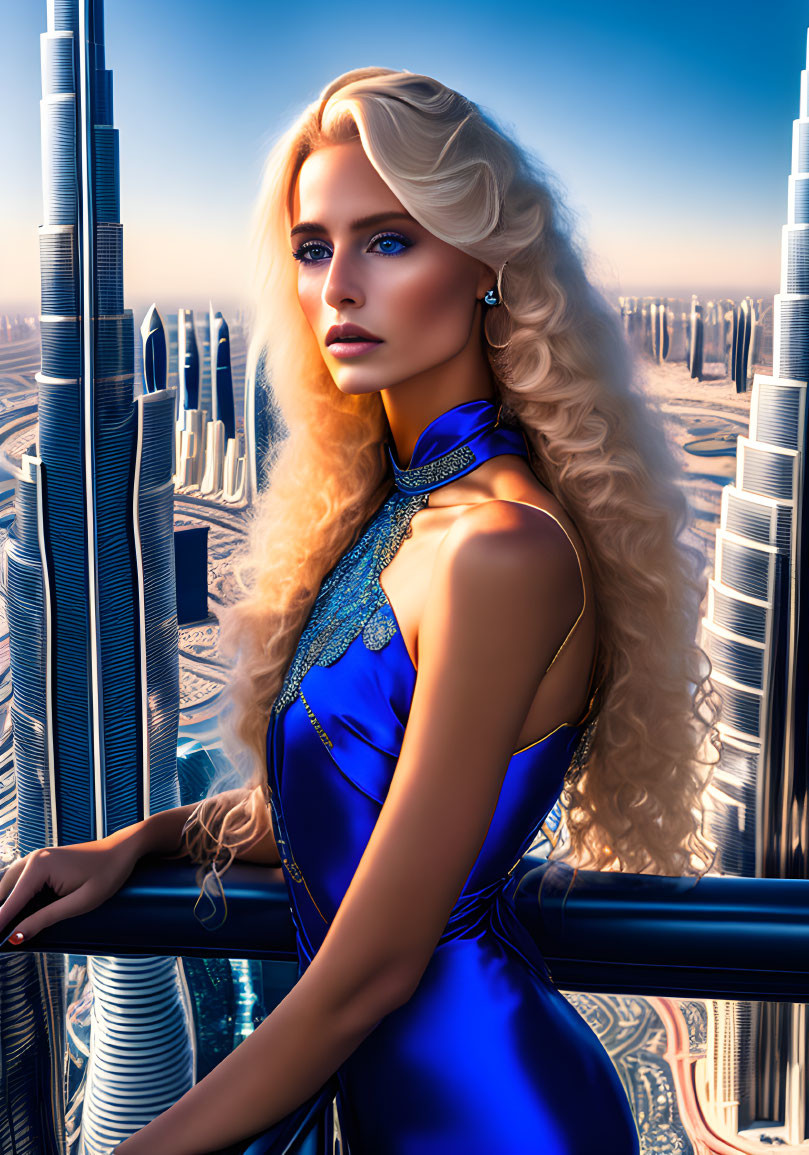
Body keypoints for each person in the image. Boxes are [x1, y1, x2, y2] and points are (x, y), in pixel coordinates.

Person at [0, 67, 720, 1154]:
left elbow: (373, 966)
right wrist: (137, 842)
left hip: (495, 1119)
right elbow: (338, 816)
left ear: (484, 266)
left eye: (388, 241)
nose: (339, 285)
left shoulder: (498, 550)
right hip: (387, 1112)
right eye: (311, 247)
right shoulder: (399, 519)